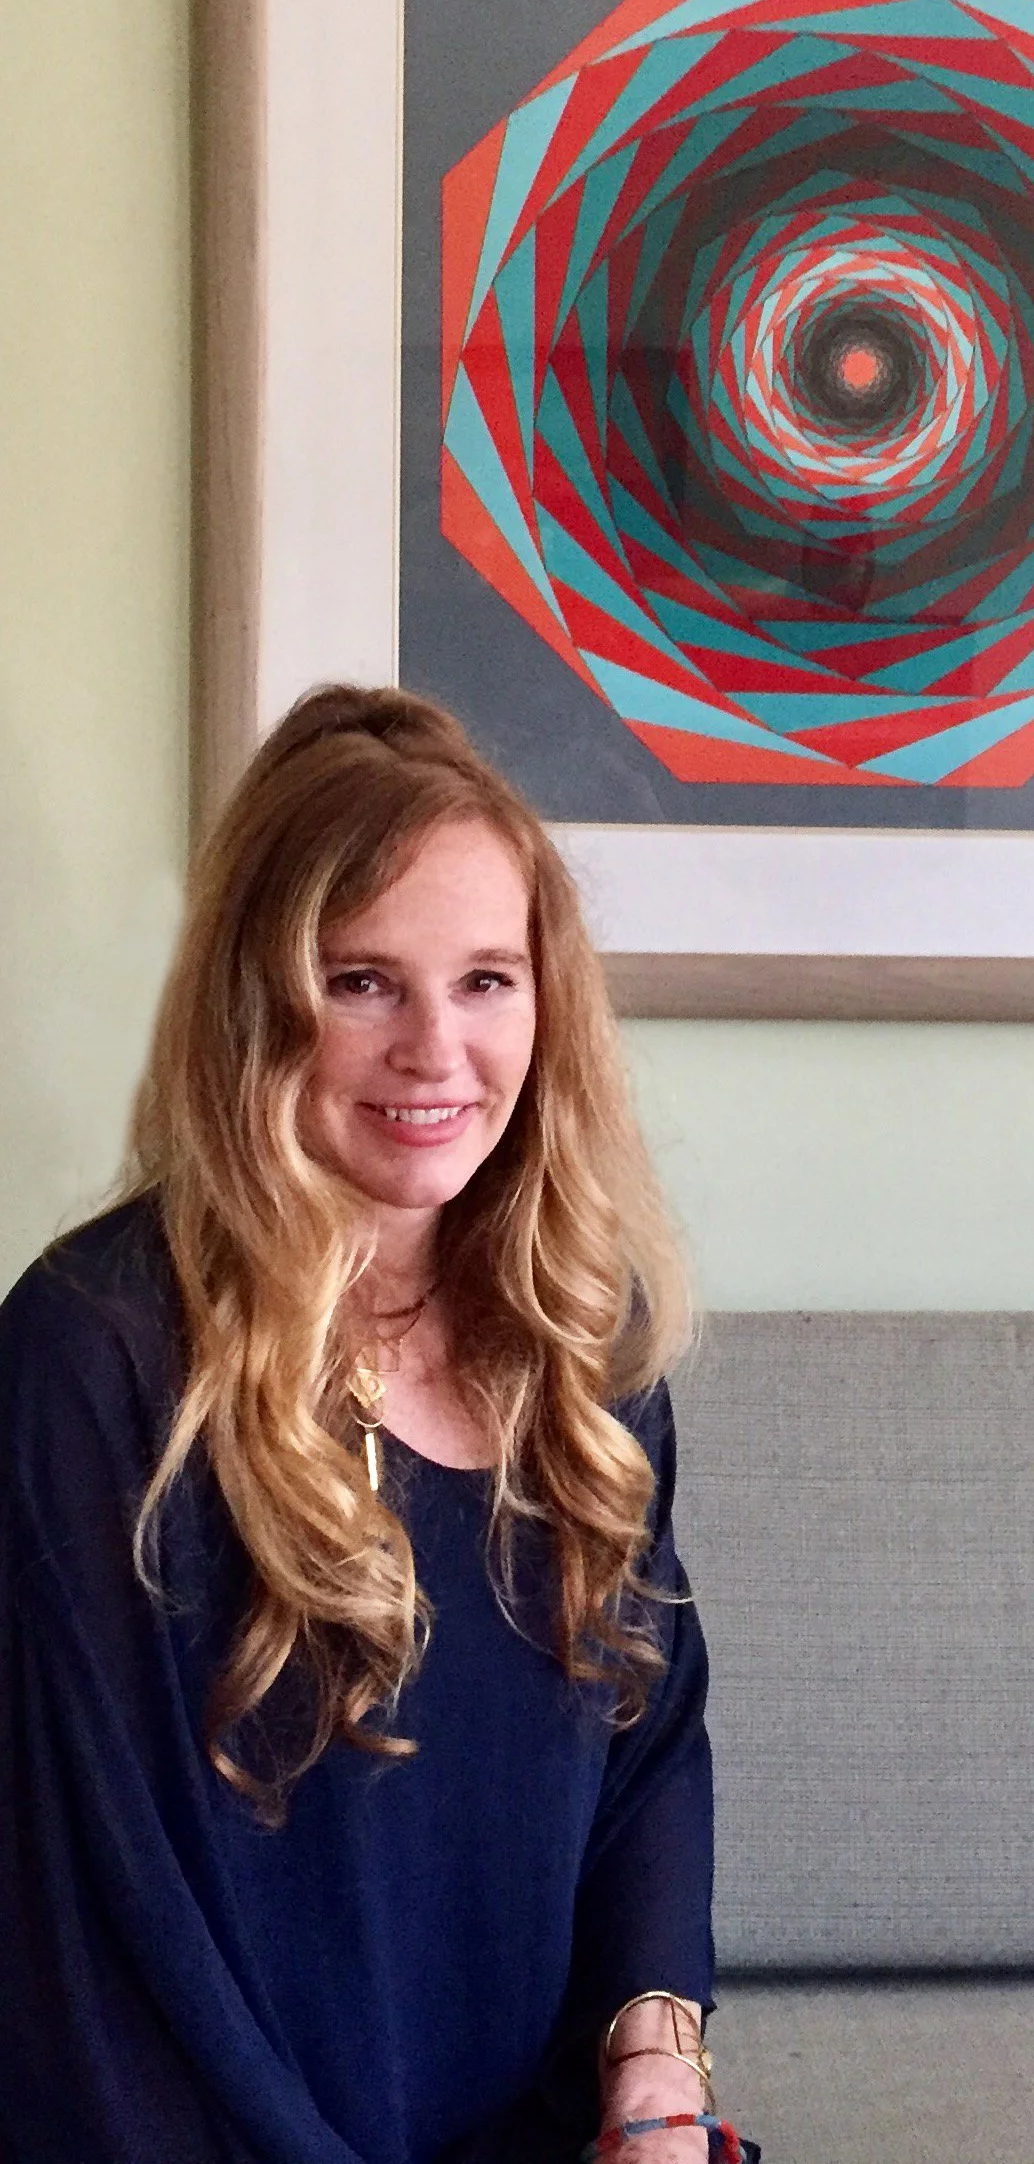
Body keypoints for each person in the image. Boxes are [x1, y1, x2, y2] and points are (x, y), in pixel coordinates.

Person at [0, 687, 751, 2164]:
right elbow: (94, 1949)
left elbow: (650, 1743)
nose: (436, 1050)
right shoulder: (90, 1358)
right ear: (253, 1004)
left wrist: (657, 2077)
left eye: (486, 980)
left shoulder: (583, 1338)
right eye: (361, 982)